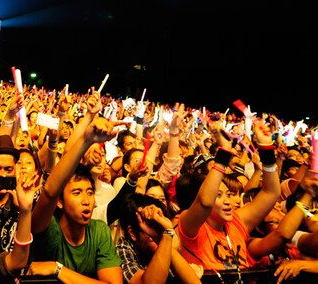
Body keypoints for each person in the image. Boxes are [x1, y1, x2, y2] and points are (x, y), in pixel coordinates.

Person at [27, 89, 123, 284]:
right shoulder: (49, 229)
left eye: (89, 192)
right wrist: (86, 138)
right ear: (60, 202)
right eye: (77, 193)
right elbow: (50, 191)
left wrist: (58, 270)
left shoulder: (99, 231)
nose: (86, 201)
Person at [175, 118, 280, 277]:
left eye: (229, 195)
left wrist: (266, 149)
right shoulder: (190, 226)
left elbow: (271, 193)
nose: (228, 202)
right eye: (218, 195)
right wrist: (224, 153)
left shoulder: (236, 222)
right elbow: (204, 203)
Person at [116, 193, 201, 284]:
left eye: (158, 225)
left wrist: (164, 235)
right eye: (150, 225)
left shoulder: (163, 239)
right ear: (132, 232)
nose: (156, 230)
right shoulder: (123, 248)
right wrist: (166, 236)